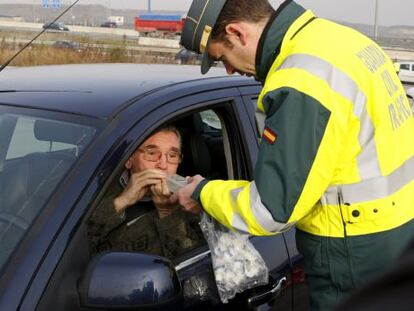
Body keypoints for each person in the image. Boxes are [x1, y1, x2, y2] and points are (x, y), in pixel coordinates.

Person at [176, 0, 414, 310]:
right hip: (398, 231)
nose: (230, 69)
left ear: (237, 32)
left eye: (223, 57)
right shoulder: (343, 42)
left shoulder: (301, 80)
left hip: (350, 250)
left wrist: (203, 191)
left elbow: (270, 211)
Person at [87, 125, 205, 259]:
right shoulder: (95, 189)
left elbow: (191, 264)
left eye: (172, 156)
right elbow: (74, 246)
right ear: (129, 160)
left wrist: (168, 214)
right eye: (152, 154)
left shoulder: (190, 201)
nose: (163, 165)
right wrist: (122, 201)